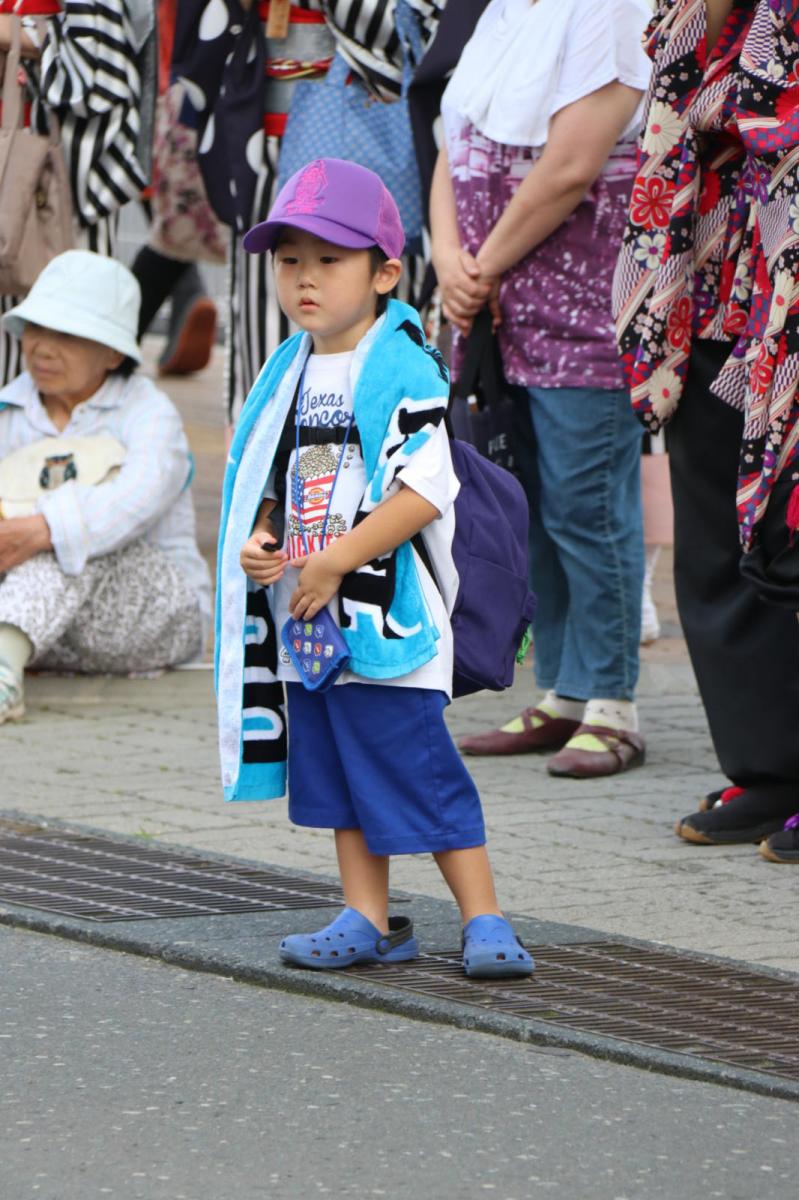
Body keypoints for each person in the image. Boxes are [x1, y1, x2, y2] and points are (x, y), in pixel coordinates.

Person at [216, 157, 532, 977]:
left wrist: (338, 561)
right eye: (289, 262)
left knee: (415, 769)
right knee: (337, 777)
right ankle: (367, 915)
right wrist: (263, 540)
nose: (305, 281)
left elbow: (426, 487)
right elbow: (272, 478)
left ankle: (485, 916)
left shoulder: (402, 365)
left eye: (329, 260)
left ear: (384, 271)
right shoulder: (287, 369)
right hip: (311, 619)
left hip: (387, 615)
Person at [429, 0, 652, 779]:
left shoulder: (612, 9)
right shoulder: (497, 13)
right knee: (526, 507)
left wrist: (478, 264)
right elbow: (448, 142)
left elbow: (570, 165)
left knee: (586, 507)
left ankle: (612, 706)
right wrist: (447, 256)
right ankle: (562, 692)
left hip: (582, 316)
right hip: (493, 315)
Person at [615, 0, 799, 864]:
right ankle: (766, 767)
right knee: (716, 535)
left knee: (789, 530)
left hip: (788, 299)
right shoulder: (695, 17)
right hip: (715, 287)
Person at [0, 250, 211, 722]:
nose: (43, 348)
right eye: (37, 328)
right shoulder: (7, 411)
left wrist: (40, 529)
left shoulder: (149, 414)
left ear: (113, 351)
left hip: (153, 617)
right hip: (47, 632)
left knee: (64, 534)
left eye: (67, 335)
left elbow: (135, 499)